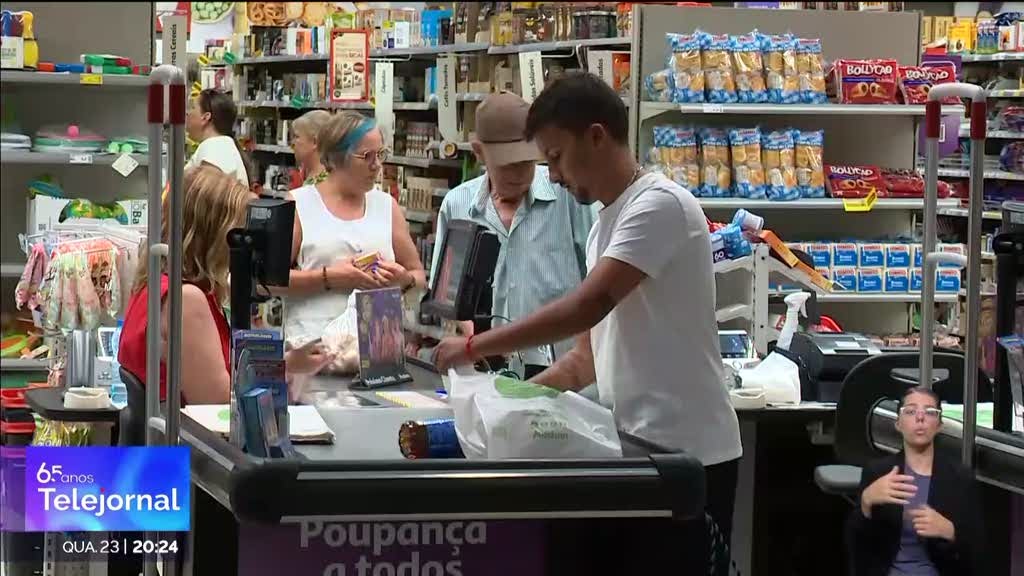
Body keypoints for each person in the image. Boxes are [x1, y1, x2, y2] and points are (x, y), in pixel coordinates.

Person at [432, 72, 741, 570]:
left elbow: (585, 307)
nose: (551, 174)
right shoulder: (605, 225)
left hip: (690, 457)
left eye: (554, 157)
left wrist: (475, 346)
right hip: (634, 451)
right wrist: (502, 403)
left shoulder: (658, 205)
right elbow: (582, 361)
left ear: (597, 136)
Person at [118, 166, 329, 404]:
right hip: (185, 438)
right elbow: (218, 403)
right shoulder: (187, 300)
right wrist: (280, 375)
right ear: (217, 235)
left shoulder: (154, 284)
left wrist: (285, 364)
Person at [432, 92, 595, 378]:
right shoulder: (457, 205)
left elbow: (597, 283)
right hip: (484, 369)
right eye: (507, 164)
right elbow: (445, 295)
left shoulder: (568, 197)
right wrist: (465, 329)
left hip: (562, 371)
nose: (519, 173)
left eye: (527, 162)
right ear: (479, 152)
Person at [283, 111, 426, 341]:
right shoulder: (299, 204)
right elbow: (267, 282)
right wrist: (328, 277)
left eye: (380, 154)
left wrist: (404, 281)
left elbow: (418, 277)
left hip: (379, 351)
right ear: (337, 158)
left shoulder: (386, 207)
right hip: (313, 348)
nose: (377, 165)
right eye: (367, 156)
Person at [851, 386, 987, 576]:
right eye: (911, 411)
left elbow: (978, 553)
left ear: (939, 425)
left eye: (930, 412)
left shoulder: (960, 478)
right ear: (898, 423)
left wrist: (951, 532)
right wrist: (866, 502)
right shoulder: (879, 472)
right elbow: (856, 550)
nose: (920, 417)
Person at [185, 88, 250, 186]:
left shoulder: (214, 148)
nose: (187, 113)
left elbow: (206, 198)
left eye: (192, 108)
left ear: (206, 117)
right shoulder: (221, 145)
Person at [290, 109, 332, 186]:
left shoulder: (323, 185)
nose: (292, 143)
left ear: (315, 142)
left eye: (296, 137)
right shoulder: (317, 177)